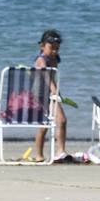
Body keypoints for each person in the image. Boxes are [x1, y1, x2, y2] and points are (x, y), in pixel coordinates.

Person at [31, 28, 69, 163]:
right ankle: (39, 155)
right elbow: (47, 77)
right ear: (42, 46)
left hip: (51, 94)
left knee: (61, 120)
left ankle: (60, 151)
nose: (54, 51)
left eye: (57, 49)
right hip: (40, 96)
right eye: (51, 48)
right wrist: (55, 90)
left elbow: (53, 77)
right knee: (45, 125)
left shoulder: (55, 59)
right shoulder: (41, 60)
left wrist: (57, 92)